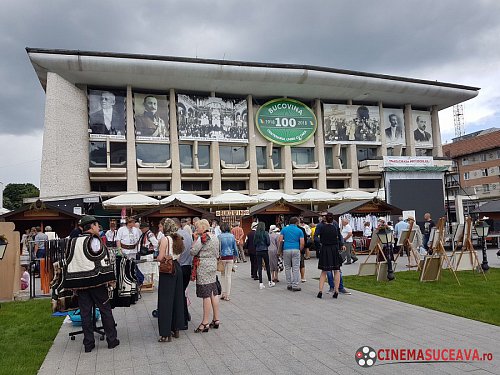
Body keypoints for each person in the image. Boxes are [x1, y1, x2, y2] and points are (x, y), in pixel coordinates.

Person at [63, 215, 119, 353]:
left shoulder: (72, 241)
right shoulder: (94, 241)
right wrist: (111, 278)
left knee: (85, 313)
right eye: (97, 225)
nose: (98, 228)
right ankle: (111, 340)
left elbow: (70, 261)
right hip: (96, 281)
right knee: (105, 310)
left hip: (80, 283)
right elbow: (102, 259)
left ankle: (88, 343)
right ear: (92, 226)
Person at [156, 218, 184, 342]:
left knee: (165, 301)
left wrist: (157, 257)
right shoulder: (177, 238)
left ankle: (165, 333)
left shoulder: (165, 239)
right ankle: (176, 328)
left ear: (166, 228)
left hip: (168, 269)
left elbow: (160, 257)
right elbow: (179, 255)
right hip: (177, 268)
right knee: (177, 299)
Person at [190, 219, 220, 333]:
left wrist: (194, 239)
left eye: (197, 227)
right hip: (213, 265)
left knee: (206, 294)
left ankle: (205, 322)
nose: (196, 229)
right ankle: (216, 319)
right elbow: (217, 253)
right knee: (213, 292)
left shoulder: (202, 238)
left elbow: (193, 251)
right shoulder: (215, 237)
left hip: (203, 267)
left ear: (202, 227)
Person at [170, 218, 193, 329]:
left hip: (180, 266)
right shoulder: (188, 234)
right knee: (182, 292)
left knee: (178, 294)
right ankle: (185, 315)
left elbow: (176, 254)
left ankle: (182, 320)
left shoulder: (175, 236)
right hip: (188, 266)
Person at [315, 213, 345, 299]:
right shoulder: (335, 227)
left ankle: (320, 291)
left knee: (324, 271)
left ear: (325, 219)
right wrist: (340, 244)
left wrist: (321, 242)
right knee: (337, 270)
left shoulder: (321, 227)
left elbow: (316, 238)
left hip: (325, 249)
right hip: (334, 249)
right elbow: (339, 237)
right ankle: (336, 291)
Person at [278, 217, 304, 292]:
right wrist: (299, 249)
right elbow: (302, 243)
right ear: (296, 222)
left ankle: (289, 284)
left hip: (286, 249)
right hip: (296, 249)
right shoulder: (299, 230)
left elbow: (280, 240)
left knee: (287, 267)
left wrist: (281, 250)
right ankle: (295, 285)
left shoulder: (284, 229)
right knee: (295, 267)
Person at [218, 222, 239, 300]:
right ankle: (228, 295)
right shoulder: (232, 236)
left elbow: (218, 248)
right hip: (230, 257)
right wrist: (236, 256)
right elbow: (235, 248)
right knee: (228, 276)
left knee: (223, 275)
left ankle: (223, 293)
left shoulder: (219, 236)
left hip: (222, 257)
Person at [254, 222, 275, 290]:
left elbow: (254, 243)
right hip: (265, 250)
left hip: (258, 251)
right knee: (267, 265)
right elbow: (268, 242)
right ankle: (270, 281)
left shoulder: (256, 234)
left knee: (259, 266)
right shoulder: (265, 233)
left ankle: (261, 283)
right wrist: (265, 246)